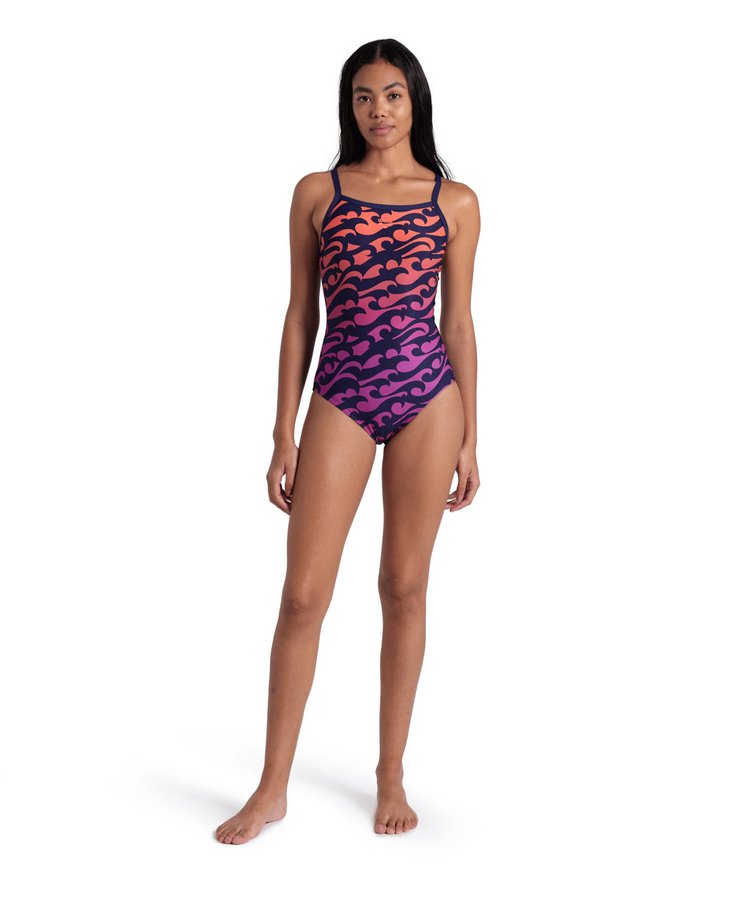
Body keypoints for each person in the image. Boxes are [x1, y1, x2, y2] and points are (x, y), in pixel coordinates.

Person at [215, 38, 481, 845]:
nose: (379, 110)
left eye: (393, 95)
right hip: (342, 391)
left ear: (415, 101)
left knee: (404, 586)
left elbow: (458, 323)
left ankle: (390, 772)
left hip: (428, 394)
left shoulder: (454, 201)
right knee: (302, 595)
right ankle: (271, 787)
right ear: (349, 105)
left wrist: (472, 434)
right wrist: (282, 431)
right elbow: (301, 314)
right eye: (364, 96)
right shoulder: (317, 193)